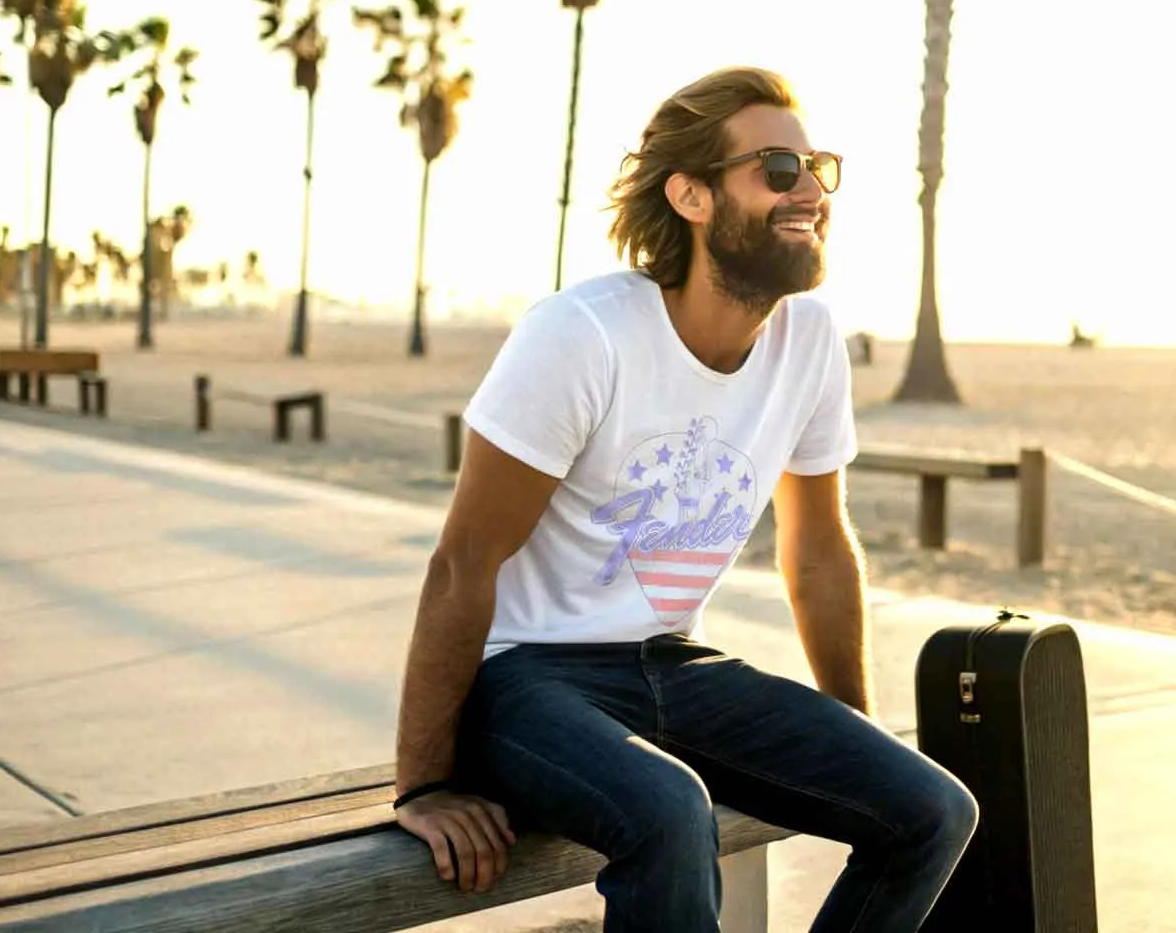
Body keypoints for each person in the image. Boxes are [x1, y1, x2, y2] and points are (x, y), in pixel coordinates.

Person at [392, 65, 977, 932]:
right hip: (522, 680)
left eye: (818, 167)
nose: (810, 188)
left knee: (932, 811)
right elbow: (463, 562)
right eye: (777, 170)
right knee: (669, 812)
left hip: (670, 661)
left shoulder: (809, 341)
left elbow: (816, 547)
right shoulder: (582, 336)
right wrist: (427, 784)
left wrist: (846, 730)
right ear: (692, 196)